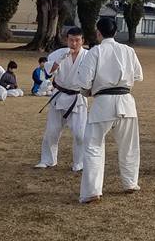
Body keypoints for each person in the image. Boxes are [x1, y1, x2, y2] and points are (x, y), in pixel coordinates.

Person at [76, 17, 143, 204]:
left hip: (103, 103)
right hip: (126, 102)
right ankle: (130, 183)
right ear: (116, 32)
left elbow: (84, 82)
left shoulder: (95, 51)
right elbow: (137, 75)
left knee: (93, 146)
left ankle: (92, 191)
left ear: (98, 32)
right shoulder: (129, 50)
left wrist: (88, 90)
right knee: (129, 146)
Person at [36, 26, 89, 171]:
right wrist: (59, 60)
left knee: (80, 133)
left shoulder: (88, 56)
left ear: (82, 41)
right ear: (67, 40)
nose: (74, 43)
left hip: (77, 97)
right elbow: (49, 73)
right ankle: (48, 160)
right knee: (52, 131)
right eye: (71, 40)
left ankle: (79, 163)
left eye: (77, 40)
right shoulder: (58, 53)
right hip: (59, 95)